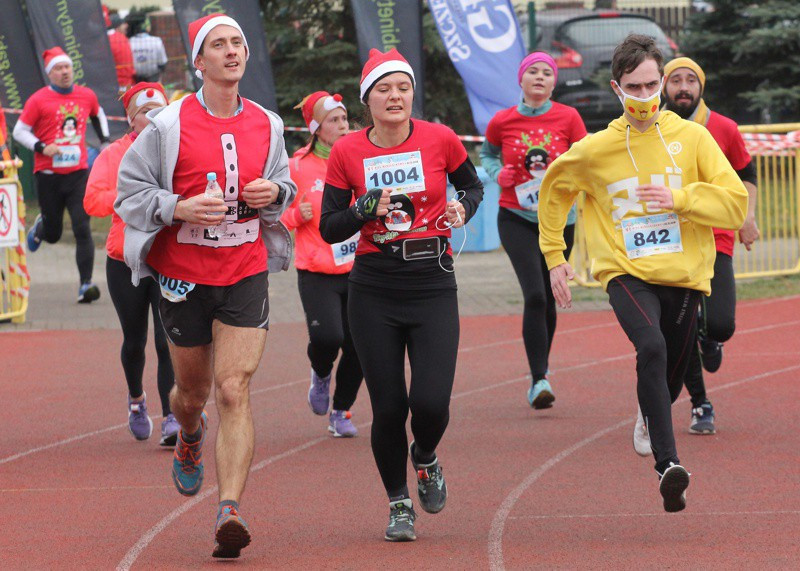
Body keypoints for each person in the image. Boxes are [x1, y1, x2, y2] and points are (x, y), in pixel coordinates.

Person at [537, 34, 748, 512]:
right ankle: (668, 466)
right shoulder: (596, 149)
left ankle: (650, 412)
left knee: (670, 373)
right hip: (626, 272)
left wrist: (681, 198)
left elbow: (734, 205)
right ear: (617, 88)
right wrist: (555, 256)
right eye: (635, 87)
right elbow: (555, 190)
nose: (646, 95)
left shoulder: (692, 138)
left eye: (653, 84)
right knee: (649, 345)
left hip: (685, 273)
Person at [115, 13, 296, 558]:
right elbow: (128, 196)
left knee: (234, 388)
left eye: (237, 42)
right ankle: (190, 436)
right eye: (218, 45)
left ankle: (230, 508)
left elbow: (285, 182)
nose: (232, 51)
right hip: (183, 277)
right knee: (191, 395)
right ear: (199, 61)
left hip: (244, 269)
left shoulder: (268, 123)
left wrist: (275, 194)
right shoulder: (166, 126)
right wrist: (178, 207)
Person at [320, 48, 483, 542]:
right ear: (367, 98)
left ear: (413, 93)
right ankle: (398, 503)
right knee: (389, 407)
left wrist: (462, 210)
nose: (395, 96)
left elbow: (472, 188)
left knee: (431, 403)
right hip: (374, 287)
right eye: (384, 89)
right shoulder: (347, 151)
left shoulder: (441, 138)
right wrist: (362, 209)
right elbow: (329, 227)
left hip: (433, 281)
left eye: (403, 87)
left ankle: (426, 455)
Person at [480, 52, 587, 409]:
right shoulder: (502, 120)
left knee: (550, 293)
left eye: (546, 73)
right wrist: (498, 175)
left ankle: (541, 371)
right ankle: (539, 378)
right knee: (536, 296)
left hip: (560, 221)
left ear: (554, 82)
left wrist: (572, 179)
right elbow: (488, 155)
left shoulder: (569, 118)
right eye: (533, 72)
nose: (540, 77)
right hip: (516, 218)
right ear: (521, 80)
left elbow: (584, 157)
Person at [663, 57, 760, 435]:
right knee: (679, 328)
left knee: (720, 324)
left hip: (716, 235)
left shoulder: (724, 128)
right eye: (675, 80)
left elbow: (747, 174)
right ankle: (701, 403)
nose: (683, 87)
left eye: (691, 80)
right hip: (672, 240)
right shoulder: (652, 126)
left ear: (701, 86)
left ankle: (710, 336)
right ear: (665, 86)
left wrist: (748, 217)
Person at [83, 82, 177, 445]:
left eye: (160, 111)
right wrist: (132, 197)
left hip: (168, 258)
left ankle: (172, 417)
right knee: (135, 342)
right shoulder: (113, 155)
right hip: (126, 261)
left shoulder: (177, 149)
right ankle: (137, 400)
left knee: (167, 340)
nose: (153, 118)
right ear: (131, 119)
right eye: (145, 113)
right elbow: (92, 202)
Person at [282, 91, 363, 437]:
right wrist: (294, 215)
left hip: (360, 269)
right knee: (328, 336)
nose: (343, 126)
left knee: (361, 345)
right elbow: (271, 218)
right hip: (317, 270)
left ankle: (341, 411)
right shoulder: (296, 166)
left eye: (345, 119)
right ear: (316, 128)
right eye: (335, 120)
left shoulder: (361, 158)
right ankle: (321, 372)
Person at [13, 47, 110, 303]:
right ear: (50, 74)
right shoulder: (38, 100)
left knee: (82, 228)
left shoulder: (85, 95)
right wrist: (42, 147)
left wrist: (105, 141)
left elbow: (97, 114)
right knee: (54, 234)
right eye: (58, 68)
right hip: (48, 175)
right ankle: (42, 228)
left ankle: (85, 285)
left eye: (67, 66)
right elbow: (19, 131)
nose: (65, 71)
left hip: (77, 173)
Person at [128, 15, 169, 83]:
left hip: (135, 80)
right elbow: (162, 63)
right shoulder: (156, 41)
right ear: (147, 26)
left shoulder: (129, 42)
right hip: (153, 78)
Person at [103, 5, 135, 91]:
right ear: (117, 26)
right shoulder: (122, 38)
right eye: (123, 23)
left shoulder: (105, 39)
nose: (126, 25)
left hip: (111, 85)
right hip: (126, 84)